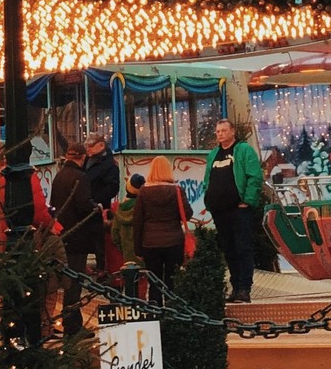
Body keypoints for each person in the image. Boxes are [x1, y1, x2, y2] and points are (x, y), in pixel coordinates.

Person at [202, 116, 262, 304]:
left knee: (243, 248)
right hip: (220, 211)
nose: (220, 134)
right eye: (218, 131)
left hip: (239, 210)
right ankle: (235, 287)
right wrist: (209, 201)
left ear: (232, 131)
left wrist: (248, 200)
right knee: (229, 250)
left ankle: (244, 288)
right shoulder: (213, 155)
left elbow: (254, 177)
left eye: (224, 130)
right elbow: (207, 180)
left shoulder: (244, 151)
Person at [48, 142, 101, 336]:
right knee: (74, 283)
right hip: (78, 236)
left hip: (62, 235)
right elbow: (84, 205)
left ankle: (69, 321)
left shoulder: (59, 176)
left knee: (67, 280)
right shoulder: (80, 177)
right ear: (82, 157)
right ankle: (73, 325)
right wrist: (97, 208)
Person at [133, 155, 189, 294]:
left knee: (154, 281)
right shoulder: (177, 190)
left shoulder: (143, 192)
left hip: (150, 243)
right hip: (174, 241)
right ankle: (172, 310)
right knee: (172, 280)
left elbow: (138, 221)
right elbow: (188, 214)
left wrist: (138, 249)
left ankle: (155, 309)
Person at [111, 169, 145, 272]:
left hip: (128, 255)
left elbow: (115, 234)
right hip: (145, 254)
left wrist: (123, 249)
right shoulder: (144, 208)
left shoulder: (120, 209)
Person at [85, 131, 121, 215]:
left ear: (101, 145)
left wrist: (95, 200)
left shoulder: (109, 164)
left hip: (100, 208)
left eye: (91, 146)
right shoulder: (88, 161)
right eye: (87, 146)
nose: (88, 149)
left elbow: (112, 187)